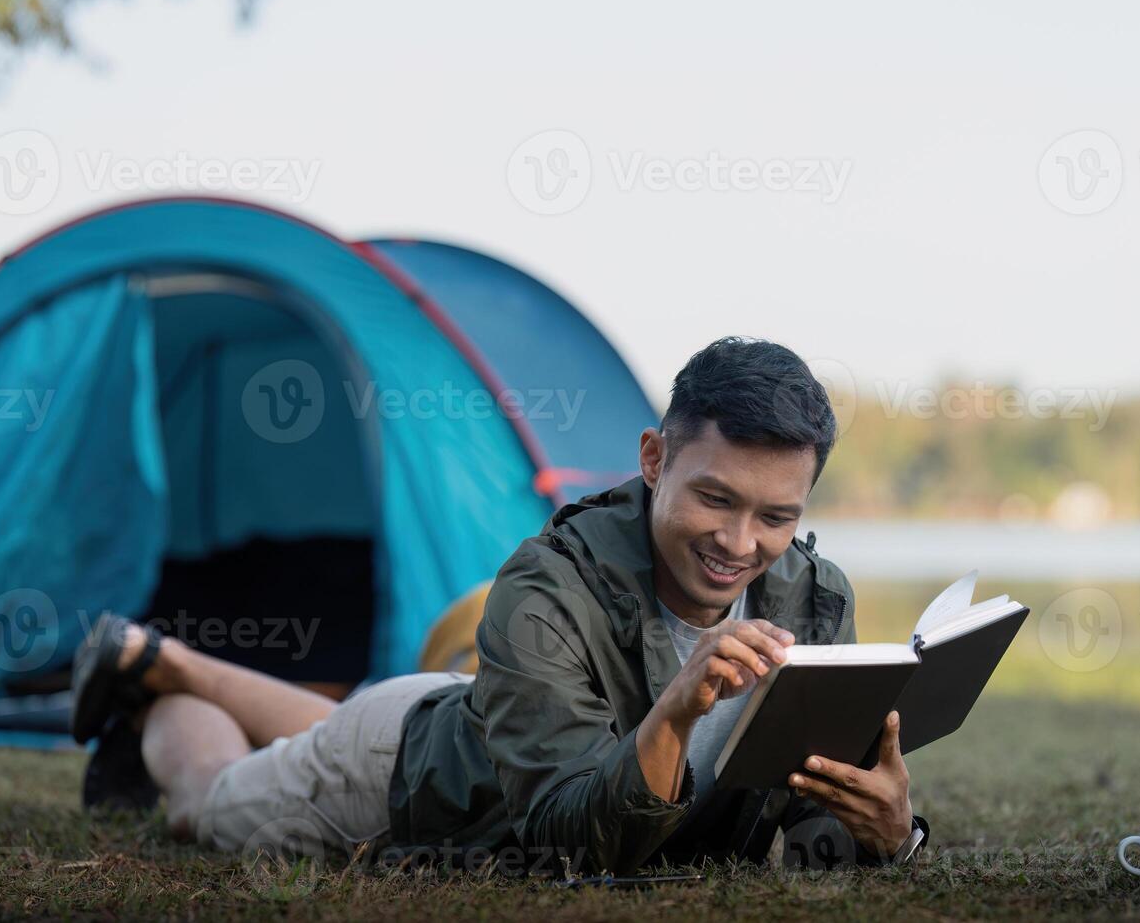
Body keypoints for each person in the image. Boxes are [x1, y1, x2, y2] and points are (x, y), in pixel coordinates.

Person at [70, 336, 927, 874]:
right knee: (205, 810)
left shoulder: (814, 598)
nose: (740, 542)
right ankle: (162, 684)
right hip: (405, 773)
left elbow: (813, 815)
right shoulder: (544, 584)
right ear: (655, 458)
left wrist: (892, 831)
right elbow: (567, 842)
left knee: (351, 715)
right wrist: (671, 715)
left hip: (469, 714)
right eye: (716, 500)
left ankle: (174, 657)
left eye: (776, 516)